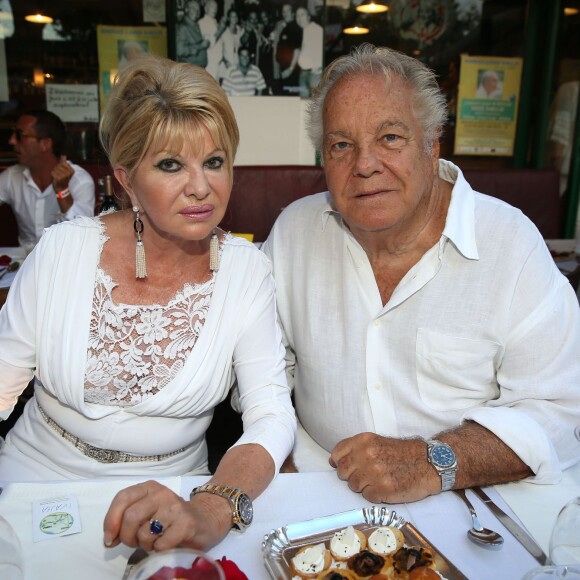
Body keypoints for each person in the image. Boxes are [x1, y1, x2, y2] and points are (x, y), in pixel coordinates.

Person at [0, 55, 296, 552]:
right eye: (170, 165)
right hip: (38, 479)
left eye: (215, 162)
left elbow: (271, 413)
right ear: (126, 180)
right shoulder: (62, 251)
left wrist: (212, 506)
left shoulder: (247, 271)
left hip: (174, 495)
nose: (201, 186)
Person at [262, 44, 580, 504]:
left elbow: (563, 409)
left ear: (432, 145)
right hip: (315, 487)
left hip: (471, 499)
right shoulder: (295, 232)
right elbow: (261, 369)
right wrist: (278, 452)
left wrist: (435, 460)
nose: (365, 164)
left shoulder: (509, 244)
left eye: (390, 137)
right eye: (341, 145)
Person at [0, 110, 95, 247]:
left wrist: (63, 191)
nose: (11, 140)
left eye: (20, 135)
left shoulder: (79, 179)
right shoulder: (12, 176)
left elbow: (84, 234)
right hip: (26, 262)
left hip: (65, 261)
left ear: (45, 143)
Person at [272, 3, 303, 96]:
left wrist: (290, 69)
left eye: (287, 11)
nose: (285, 13)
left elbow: (297, 50)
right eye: (283, 11)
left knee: (290, 97)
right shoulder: (285, 27)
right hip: (284, 69)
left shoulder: (295, 28)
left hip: (291, 71)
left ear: (292, 13)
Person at [295, 6, 323, 98]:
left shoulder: (317, 30)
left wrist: (318, 68)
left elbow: (321, 51)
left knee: (314, 104)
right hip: (303, 73)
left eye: (302, 15)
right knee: (303, 104)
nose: (299, 18)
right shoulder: (303, 31)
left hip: (314, 75)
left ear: (309, 17)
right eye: (297, 16)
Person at [176, 0, 210, 68]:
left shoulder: (196, 25)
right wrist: (201, 46)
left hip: (199, 70)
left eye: (198, 10)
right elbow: (179, 50)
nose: (196, 12)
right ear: (186, 9)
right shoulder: (183, 27)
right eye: (193, 8)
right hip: (189, 71)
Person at [199, 0, 226, 80]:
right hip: (210, 63)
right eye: (212, 7)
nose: (215, 9)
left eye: (216, 7)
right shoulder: (202, 22)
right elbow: (209, 43)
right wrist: (220, 30)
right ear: (206, 9)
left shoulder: (215, 22)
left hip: (218, 63)